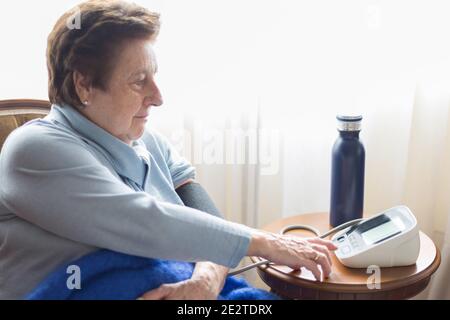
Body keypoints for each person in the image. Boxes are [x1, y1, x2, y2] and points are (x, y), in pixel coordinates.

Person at [0, 0, 336, 300]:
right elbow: (142, 221)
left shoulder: (143, 140)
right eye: (138, 80)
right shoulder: (33, 150)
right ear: (83, 84)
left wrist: (208, 276)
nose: (158, 96)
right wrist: (266, 243)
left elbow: (196, 204)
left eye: (155, 76)